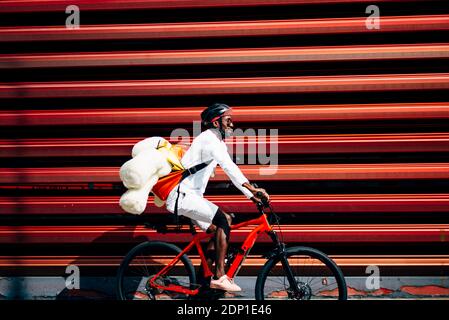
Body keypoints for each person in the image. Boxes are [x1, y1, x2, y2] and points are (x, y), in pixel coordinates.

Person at [165, 103, 270, 292]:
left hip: (190, 196)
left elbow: (230, 170)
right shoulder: (209, 139)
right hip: (183, 196)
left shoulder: (216, 141)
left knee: (216, 230)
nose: (232, 123)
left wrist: (251, 196)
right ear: (216, 122)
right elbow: (230, 168)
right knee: (224, 219)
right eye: (228, 119)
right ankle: (220, 276)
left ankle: (202, 282)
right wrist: (252, 190)